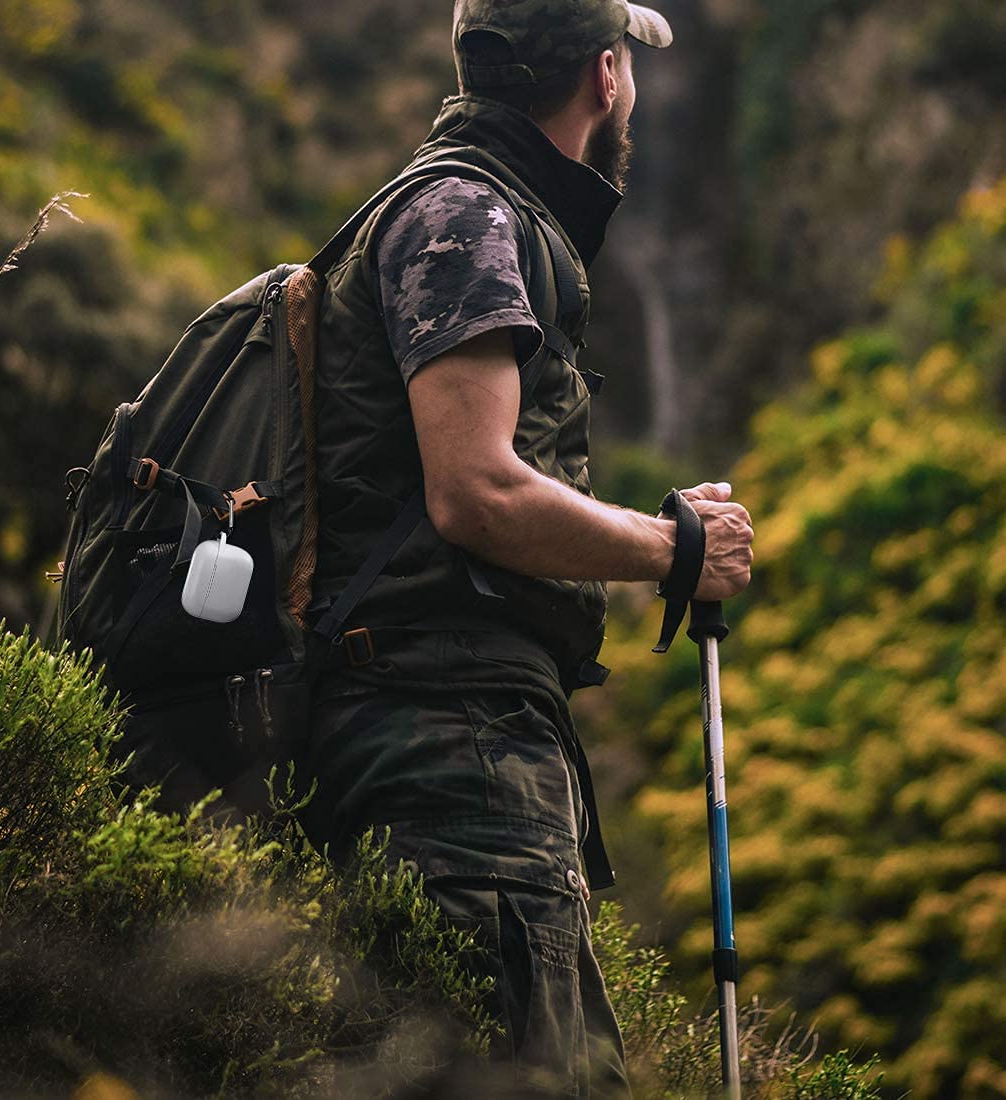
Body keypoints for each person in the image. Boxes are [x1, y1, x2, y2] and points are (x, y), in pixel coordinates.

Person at [299, 1, 754, 1094]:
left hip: (440, 732)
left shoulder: (457, 203)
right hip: (448, 748)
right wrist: (669, 549)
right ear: (606, 76)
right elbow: (478, 493)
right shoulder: (468, 216)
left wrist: (655, 532)